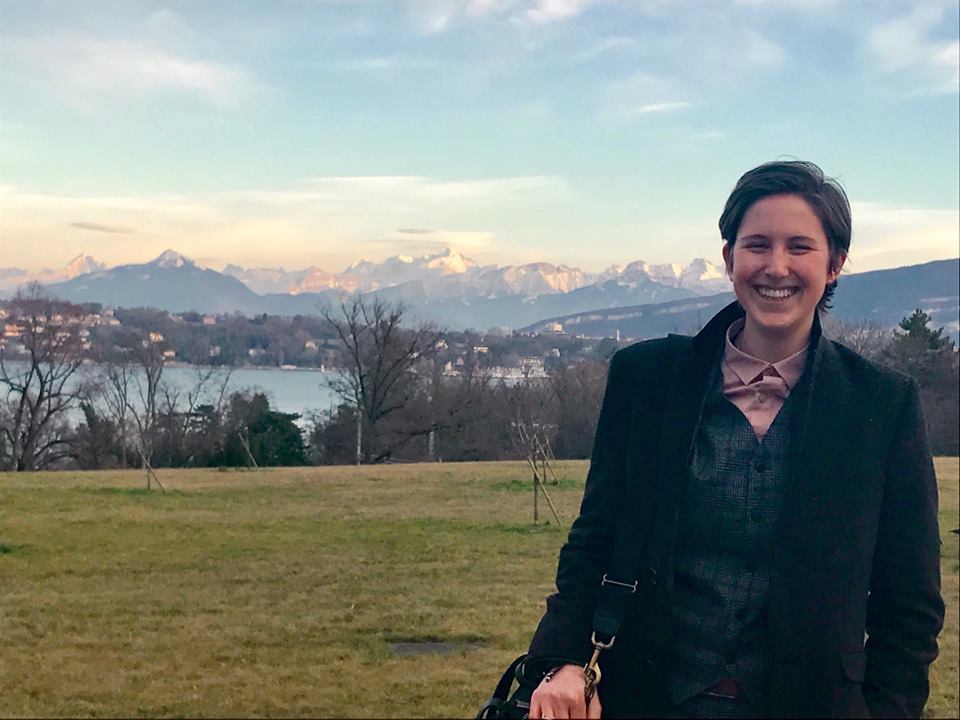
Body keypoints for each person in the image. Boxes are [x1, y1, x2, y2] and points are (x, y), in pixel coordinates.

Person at [525, 160, 945, 719]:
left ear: (836, 263)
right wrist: (564, 661)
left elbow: (908, 604)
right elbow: (595, 540)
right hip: (645, 700)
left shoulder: (881, 405)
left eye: (800, 246)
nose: (776, 267)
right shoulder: (646, 380)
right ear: (728, 259)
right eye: (756, 245)